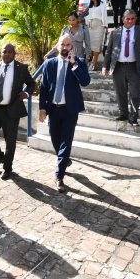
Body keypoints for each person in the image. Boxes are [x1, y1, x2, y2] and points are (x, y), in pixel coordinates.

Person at [39, 34, 90, 193]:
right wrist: (42, 108)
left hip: (70, 110)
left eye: (68, 45)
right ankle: (64, 159)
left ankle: (59, 176)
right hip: (53, 109)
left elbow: (85, 82)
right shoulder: (49, 64)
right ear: (58, 46)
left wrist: (74, 64)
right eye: (63, 44)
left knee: (66, 142)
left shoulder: (79, 62)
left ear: (71, 48)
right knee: (55, 139)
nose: (65, 48)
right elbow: (43, 87)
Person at [0, 43, 35, 180]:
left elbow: (31, 83)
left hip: (11, 110)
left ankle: (7, 168)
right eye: (5, 51)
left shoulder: (21, 68)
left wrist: (26, 94)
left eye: (10, 52)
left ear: (14, 54)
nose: (7, 54)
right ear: (1, 53)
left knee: (10, 141)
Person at [102, 9, 140, 126]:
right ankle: (123, 114)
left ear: (136, 19)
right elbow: (109, 51)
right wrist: (105, 66)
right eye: (128, 19)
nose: (130, 21)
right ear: (123, 20)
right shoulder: (115, 32)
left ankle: (133, 116)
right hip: (118, 67)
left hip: (134, 67)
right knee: (120, 92)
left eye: (132, 19)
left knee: (135, 93)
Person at [84, 0, 108, 71]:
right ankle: (89, 64)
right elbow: (86, 17)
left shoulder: (102, 4)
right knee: (90, 47)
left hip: (99, 27)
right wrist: (88, 23)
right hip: (91, 28)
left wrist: (106, 27)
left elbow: (104, 16)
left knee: (97, 47)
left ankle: (94, 65)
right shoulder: (89, 6)